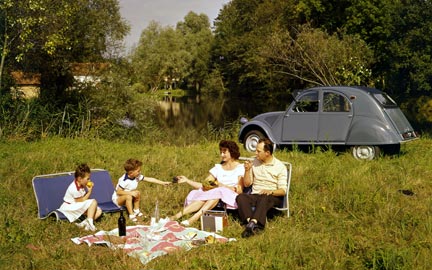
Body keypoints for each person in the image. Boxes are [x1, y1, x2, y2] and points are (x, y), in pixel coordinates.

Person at [170, 140, 245, 226]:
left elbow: (239, 190)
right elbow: (204, 185)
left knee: (218, 191)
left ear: (232, 152)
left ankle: (194, 218)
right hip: (216, 193)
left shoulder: (240, 168)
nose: (221, 155)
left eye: (224, 152)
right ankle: (177, 216)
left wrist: (223, 186)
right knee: (211, 193)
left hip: (230, 195)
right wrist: (187, 180)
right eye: (220, 152)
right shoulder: (218, 168)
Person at [236, 138, 288, 238]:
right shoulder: (255, 162)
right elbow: (247, 184)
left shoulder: (280, 167)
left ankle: (256, 224)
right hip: (256, 194)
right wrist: (247, 170)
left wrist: (271, 191)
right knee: (241, 197)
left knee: (264, 196)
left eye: (258, 151)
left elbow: (283, 191)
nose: (256, 153)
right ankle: (250, 224)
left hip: (272, 196)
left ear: (267, 152)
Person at [112, 158, 171, 222]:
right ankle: (131, 215)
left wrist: (162, 183)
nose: (140, 172)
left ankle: (136, 211)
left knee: (137, 192)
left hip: (128, 196)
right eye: (138, 171)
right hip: (118, 199)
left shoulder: (136, 176)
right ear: (131, 173)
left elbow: (149, 179)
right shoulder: (124, 180)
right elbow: (118, 192)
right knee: (128, 196)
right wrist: (130, 193)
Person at [58, 163, 102, 231]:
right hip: (70, 207)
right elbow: (81, 201)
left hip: (77, 205)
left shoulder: (81, 185)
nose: (89, 181)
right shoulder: (74, 188)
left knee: (99, 211)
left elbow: (83, 200)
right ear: (80, 179)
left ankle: (84, 223)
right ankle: (90, 224)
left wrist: (88, 190)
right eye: (87, 179)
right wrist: (89, 192)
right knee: (94, 202)